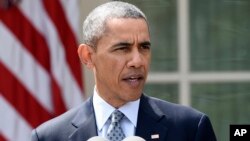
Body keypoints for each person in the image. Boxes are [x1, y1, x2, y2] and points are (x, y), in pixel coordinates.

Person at [31, 1, 217, 141]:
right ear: (87, 56)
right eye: (122, 48)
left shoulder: (191, 128)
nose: (137, 61)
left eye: (144, 47)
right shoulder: (49, 137)